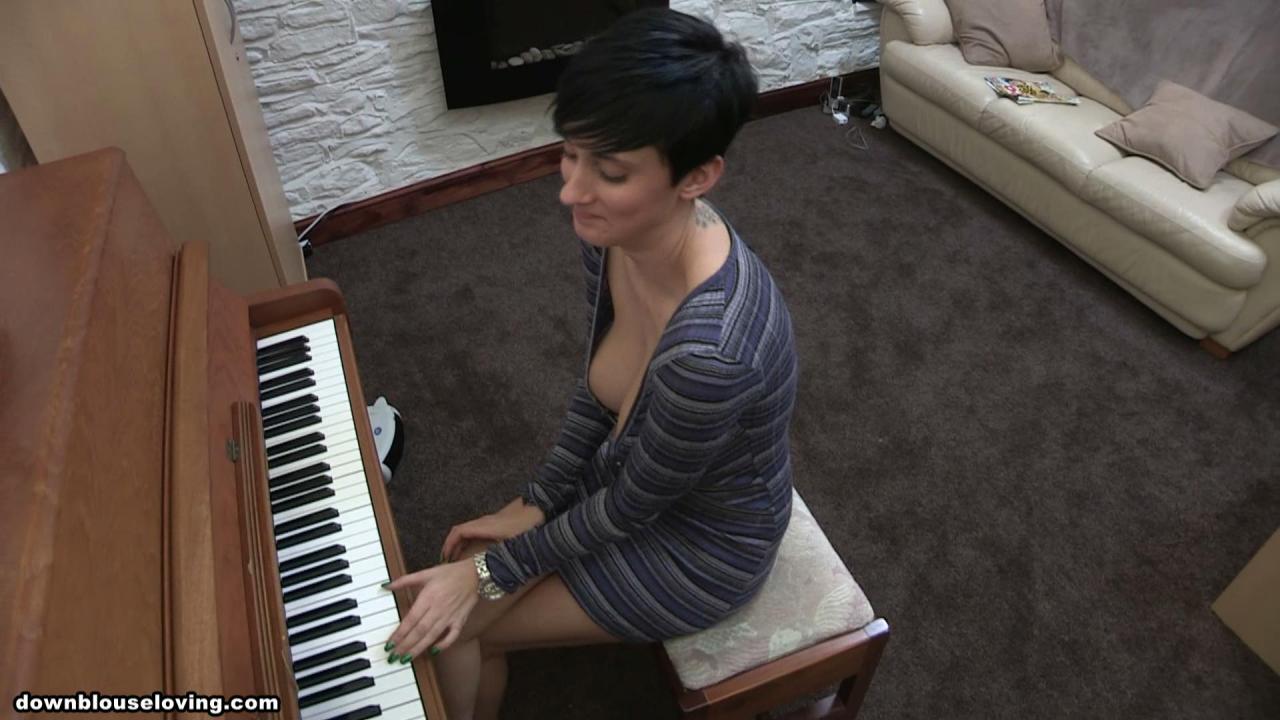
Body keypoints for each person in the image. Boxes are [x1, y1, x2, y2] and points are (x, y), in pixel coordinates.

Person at [384, 9, 798, 719]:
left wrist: (495, 570)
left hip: (703, 546)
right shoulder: (614, 236)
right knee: (450, 589)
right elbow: (599, 389)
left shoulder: (711, 356)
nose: (570, 191)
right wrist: (538, 499)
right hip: (633, 487)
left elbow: (634, 506)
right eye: (570, 154)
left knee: (446, 627)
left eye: (609, 171)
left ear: (698, 176)